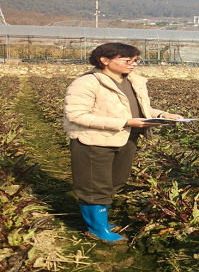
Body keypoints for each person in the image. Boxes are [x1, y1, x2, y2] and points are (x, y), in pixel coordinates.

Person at [63, 42, 183, 242]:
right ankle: (97, 229)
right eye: (127, 60)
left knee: (115, 180)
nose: (133, 64)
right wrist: (125, 122)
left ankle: (100, 220)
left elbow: (140, 108)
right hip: (94, 141)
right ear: (104, 60)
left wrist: (163, 114)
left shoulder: (134, 81)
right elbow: (76, 115)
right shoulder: (87, 83)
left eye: (135, 60)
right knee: (94, 185)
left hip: (126, 138)